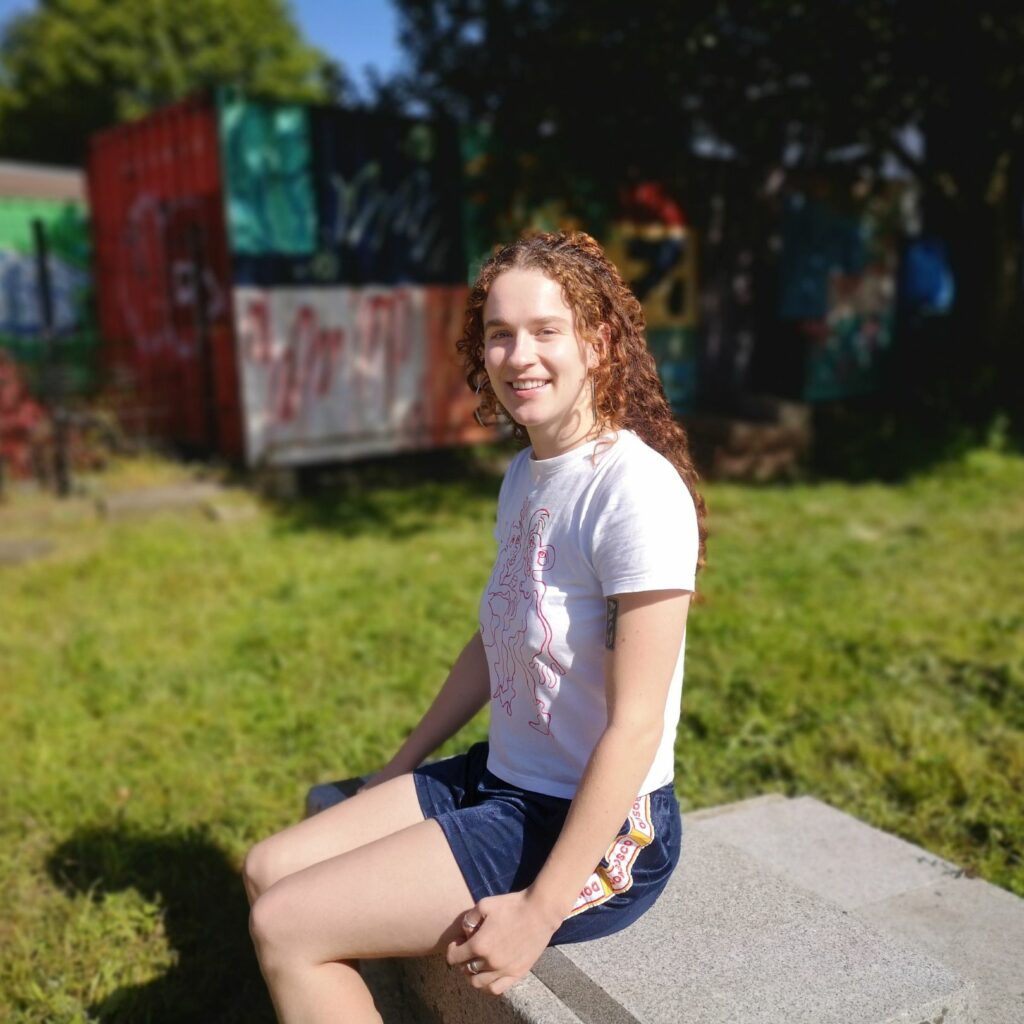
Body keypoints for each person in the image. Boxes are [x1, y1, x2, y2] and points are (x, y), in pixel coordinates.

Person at [244, 231, 707, 1024]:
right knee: (269, 867)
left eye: (545, 331)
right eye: (500, 334)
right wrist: (401, 766)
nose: (518, 354)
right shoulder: (527, 474)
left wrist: (538, 911)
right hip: (503, 777)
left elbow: (635, 730)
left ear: (597, 342)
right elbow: (497, 641)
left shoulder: (636, 492)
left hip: (594, 823)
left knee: (282, 926)